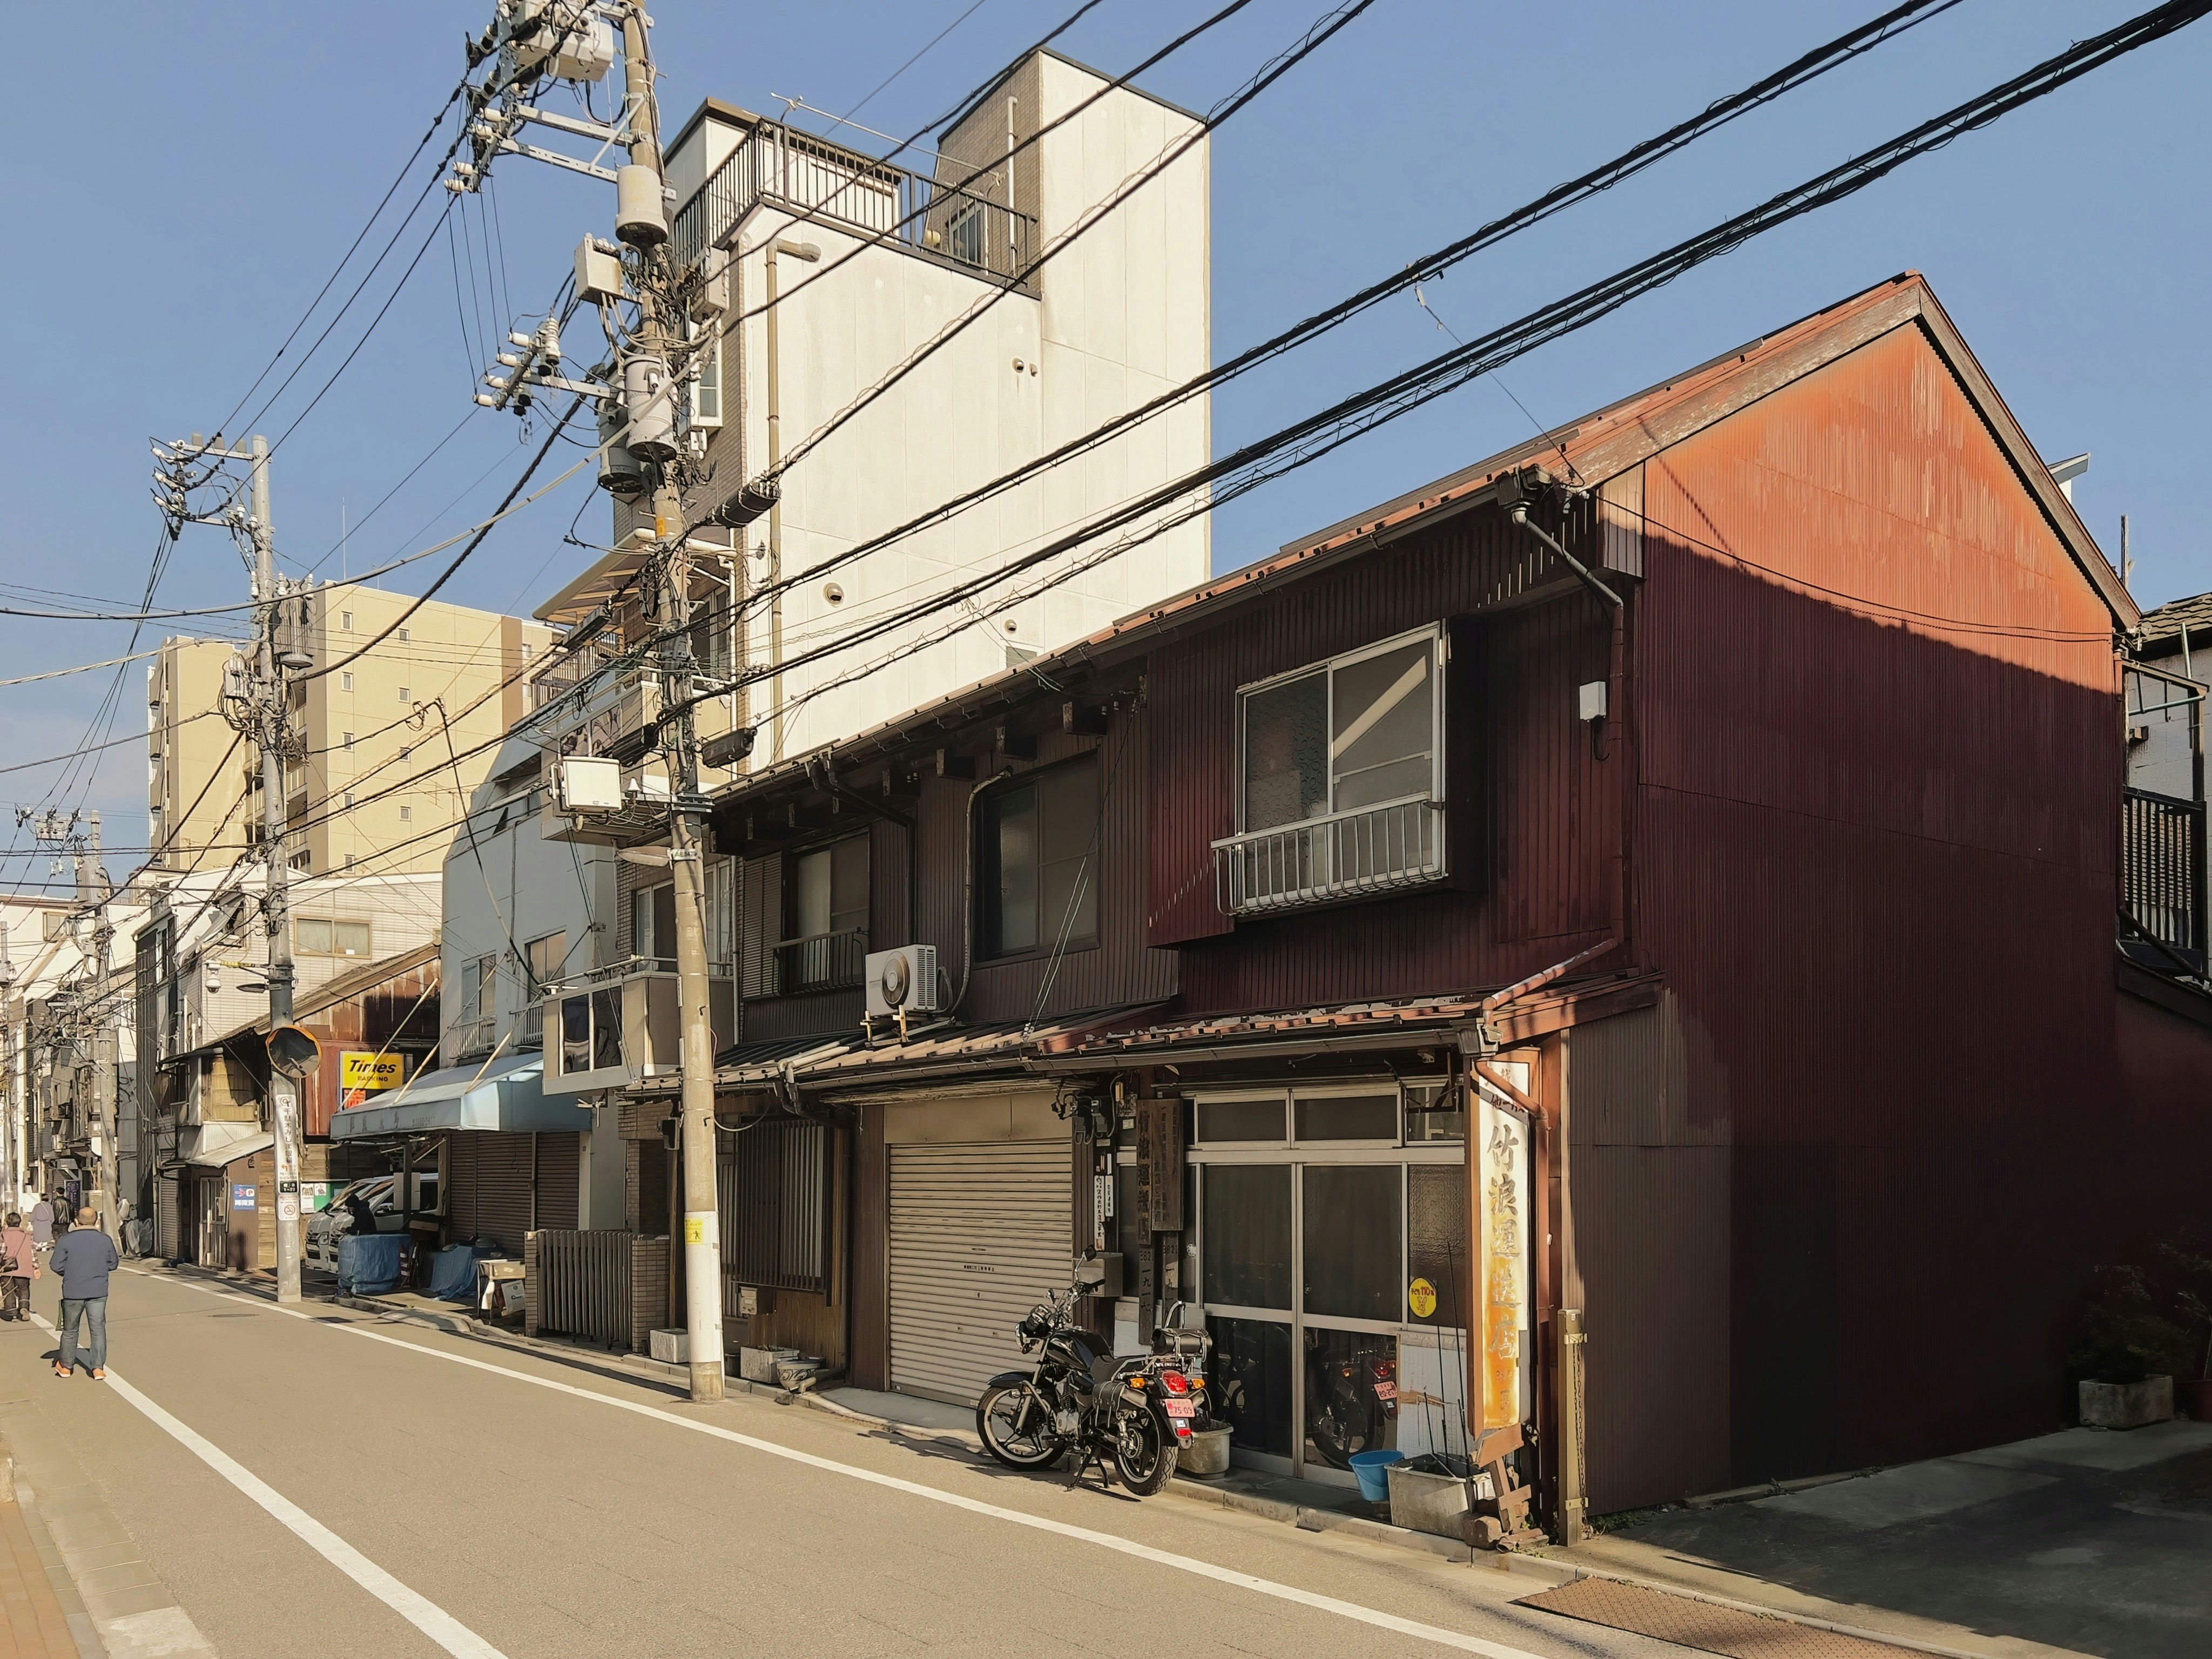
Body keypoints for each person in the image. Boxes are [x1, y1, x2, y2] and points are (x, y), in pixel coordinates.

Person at [51, 1208, 118, 1381]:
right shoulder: (105, 1240)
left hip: (73, 1291)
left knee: (70, 1330)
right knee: (98, 1330)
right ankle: (97, 1368)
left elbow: (56, 1265)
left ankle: (66, 1366)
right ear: (96, 1221)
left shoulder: (66, 1240)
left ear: (77, 1221)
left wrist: (70, 1274)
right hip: (98, 1291)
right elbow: (113, 1264)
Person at [0, 1212, 34, 1321]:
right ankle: (24, 1308)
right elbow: (33, 1253)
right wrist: (36, 1266)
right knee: (24, 1289)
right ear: (19, 1223)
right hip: (24, 1268)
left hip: (7, 1269)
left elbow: (1, 1252)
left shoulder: (3, 1235)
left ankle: (13, 1314)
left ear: (7, 1223)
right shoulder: (27, 1236)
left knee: (8, 1291)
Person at [29, 1196, 53, 1262]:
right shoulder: (50, 1206)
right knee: (46, 1236)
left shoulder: (37, 1206)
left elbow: (33, 1215)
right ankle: (44, 1247)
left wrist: (30, 1221)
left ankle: (39, 1245)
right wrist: (50, 1222)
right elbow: (52, 1217)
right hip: (47, 1223)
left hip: (38, 1223)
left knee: (38, 1236)